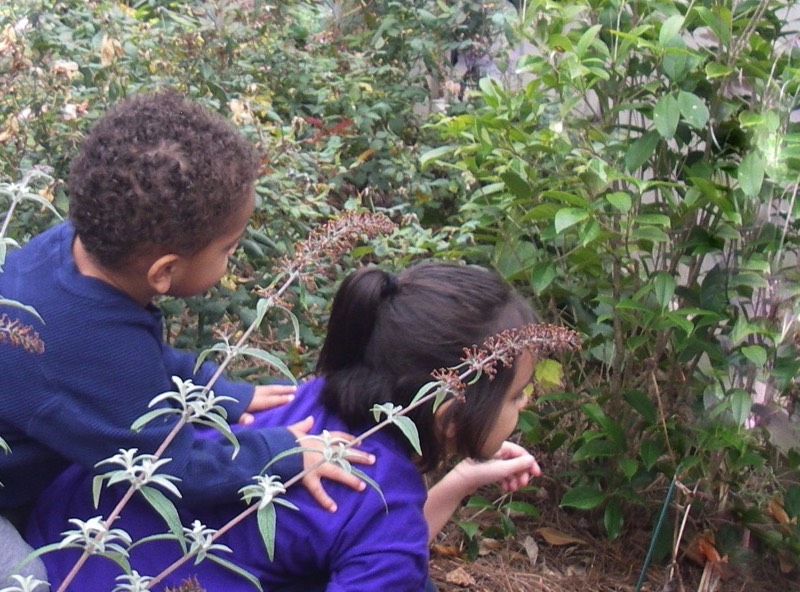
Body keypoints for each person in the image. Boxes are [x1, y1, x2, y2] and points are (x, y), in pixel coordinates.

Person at [0, 90, 370, 584]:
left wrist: (223, 394)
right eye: (228, 248)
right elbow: (173, 471)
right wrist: (284, 454)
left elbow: (142, 359)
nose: (230, 259)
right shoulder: (85, 349)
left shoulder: (66, 248)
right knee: (29, 582)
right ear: (164, 271)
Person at [28, 262, 543, 591]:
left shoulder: (302, 399)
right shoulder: (383, 503)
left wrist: (457, 481)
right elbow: (382, 539)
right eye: (517, 394)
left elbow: (371, 535)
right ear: (451, 415)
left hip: (51, 543)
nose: (526, 401)